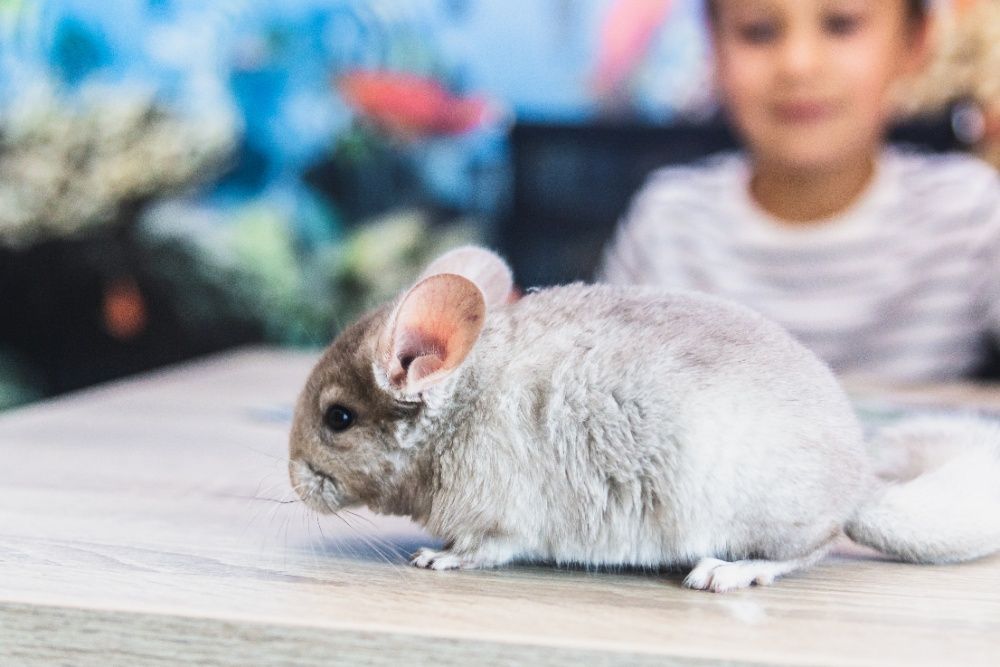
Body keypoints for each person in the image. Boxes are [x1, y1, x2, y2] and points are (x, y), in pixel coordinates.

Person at [599, 0, 1000, 383]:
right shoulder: (668, 222)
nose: (798, 64)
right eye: (758, 32)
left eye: (841, 24)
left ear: (915, 42)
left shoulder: (968, 213)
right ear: (714, 48)